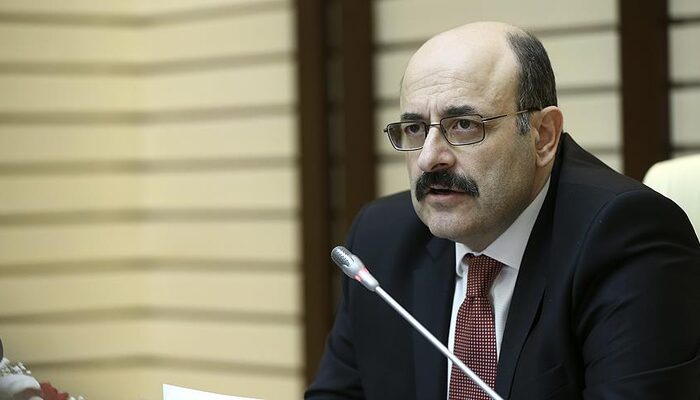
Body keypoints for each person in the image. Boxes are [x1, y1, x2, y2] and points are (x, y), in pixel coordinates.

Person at [305, 21, 700, 400]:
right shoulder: (381, 238)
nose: (429, 158)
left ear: (543, 136)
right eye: (415, 129)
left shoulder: (626, 237)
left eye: (463, 125)